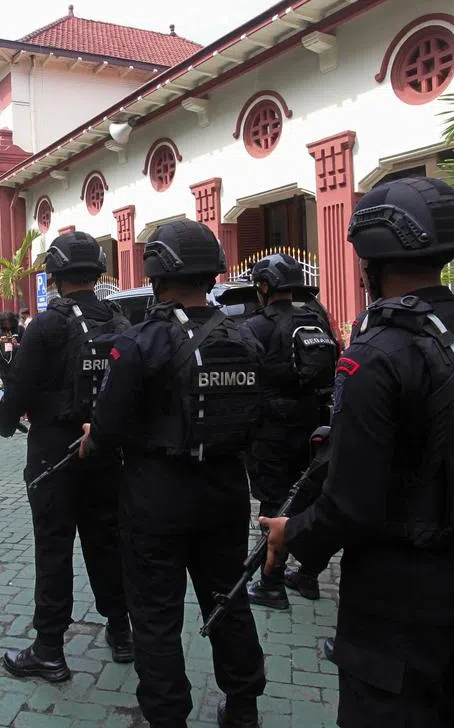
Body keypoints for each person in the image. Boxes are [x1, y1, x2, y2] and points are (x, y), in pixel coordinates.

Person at [261, 177, 454, 727]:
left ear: (369, 261)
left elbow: (350, 504)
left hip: (400, 593)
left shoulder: (378, 353)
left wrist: (290, 533)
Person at [81, 219, 266, 727]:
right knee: (227, 601)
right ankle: (244, 707)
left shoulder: (140, 342)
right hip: (226, 492)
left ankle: (167, 717)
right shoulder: (246, 338)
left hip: (155, 496)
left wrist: (93, 440)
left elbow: (110, 427)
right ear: (212, 274)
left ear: (158, 275)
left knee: (157, 615)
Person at [0, 230, 132, 682]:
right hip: (106, 447)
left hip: (55, 449)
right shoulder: (118, 320)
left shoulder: (47, 325)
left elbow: (20, 385)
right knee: (107, 540)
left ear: (53, 275)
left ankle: (49, 648)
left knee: (54, 545)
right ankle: (122, 630)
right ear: (96, 272)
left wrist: (6, 421)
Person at [242, 253, 339, 609]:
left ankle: (271, 583)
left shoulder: (256, 327)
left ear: (265, 287)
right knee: (310, 499)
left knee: (273, 505)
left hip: (270, 431)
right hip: (312, 426)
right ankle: (309, 573)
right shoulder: (317, 319)